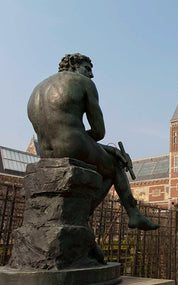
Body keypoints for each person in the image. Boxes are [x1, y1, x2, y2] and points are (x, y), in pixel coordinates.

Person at [27, 53, 158, 231]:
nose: (91, 75)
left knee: (108, 155)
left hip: (45, 152)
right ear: (74, 66)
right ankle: (133, 214)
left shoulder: (38, 89)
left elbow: (61, 132)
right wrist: (110, 152)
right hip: (72, 147)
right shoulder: (84, 83)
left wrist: (106, 149)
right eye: (87, 69)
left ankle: (80, 217)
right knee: (115, 165)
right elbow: (98, 132)